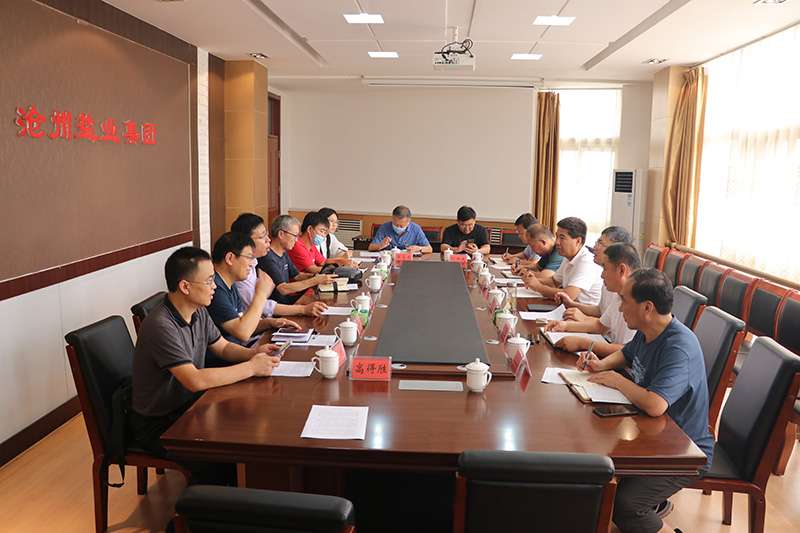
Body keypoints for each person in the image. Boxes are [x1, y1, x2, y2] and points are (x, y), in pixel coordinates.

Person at [578, 269, 713, 533]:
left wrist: (617, 381)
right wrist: (601, 365)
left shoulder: (679, 347)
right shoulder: (647, 330)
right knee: (596, 474)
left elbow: (655, 404)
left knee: (627, 505)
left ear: (647, 307)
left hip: (684, 451)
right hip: (651, 436)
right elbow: (627, 354)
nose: (620, 307)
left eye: (624, 300)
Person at [130, 246, 281, 462]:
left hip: (190, 405)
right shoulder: (161, 325)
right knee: (228, 453)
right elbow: (195, 380)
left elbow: (223, 347)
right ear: (185, 286)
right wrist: (251, 367)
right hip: (160, 421)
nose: (214, 287)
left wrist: (253, 353)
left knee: (248, 424)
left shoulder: (198, 310)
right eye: (209, 281)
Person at [205, 232, 303, 368]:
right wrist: (261, 294)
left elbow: (240, 322)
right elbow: (243, 332)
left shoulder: (230, 283)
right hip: (224, 365)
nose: (252, 264)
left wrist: (271, 323)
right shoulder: (215, 289)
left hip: (240, 354)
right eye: (249, 257)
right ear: (230, 258)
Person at [546, 242, 640, 357]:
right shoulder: (619, 295)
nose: (601, 275)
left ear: (621, 270)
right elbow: (601, 326)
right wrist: (565, 326)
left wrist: (582, 343)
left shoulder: (637, 301)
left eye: (605, 269)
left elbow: (627, 350)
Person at [230, 213, 327, 318]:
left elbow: (296, 275)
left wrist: (316, 278)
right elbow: (263, 303)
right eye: (262, 236)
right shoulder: (259, 261)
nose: (268, 239)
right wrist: (303, 309)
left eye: (267, 235)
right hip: (272, 313)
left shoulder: (254, 263)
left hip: (269, 315)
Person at [556, 226, 633, 321]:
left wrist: (584, 318)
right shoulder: (608, 277)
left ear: (616, 249)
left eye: (600, 243)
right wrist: (572, 304)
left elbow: (609, 326)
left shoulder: (624, 288)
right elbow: (600, 311)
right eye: (597, 242)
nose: (594, 248)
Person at [521, 217, 603, 304]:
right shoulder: (568, 257)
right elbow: (553, 281)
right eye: (557, 237)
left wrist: (538, 287)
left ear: (578, 241)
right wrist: (531, 280)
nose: (557, 242)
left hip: (583, 311)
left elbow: (568, 295)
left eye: (562, 238)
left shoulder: (586, 261)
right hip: (569, 308)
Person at [258, 215, 336, 304]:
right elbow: (283, 288)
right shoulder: (267, 257)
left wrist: (317, 277)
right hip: (278, 305)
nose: (296, 240)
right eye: (294, 236)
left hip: (288, 300)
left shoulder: (283, 253)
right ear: (281, 234)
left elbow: (297, 276)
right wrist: (315, 280)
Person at [288, 211, 352, 274]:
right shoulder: (297, 245)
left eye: (325, 233)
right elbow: (313, 269)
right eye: (321, 231)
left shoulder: (311, 244)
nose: (323, 236)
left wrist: (341, 261)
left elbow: (323, 261)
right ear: (309, 229)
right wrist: (341, 269)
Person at [368, 205, 432, 253]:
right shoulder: (384, 227)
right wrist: (380, 245)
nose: (398, 227)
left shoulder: (416, 229)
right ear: (392, 218)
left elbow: (429, 249)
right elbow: (370, 247)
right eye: (395, 225)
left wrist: (419, 248)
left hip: (409, 261)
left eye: (401, 226)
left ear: (408, 221)